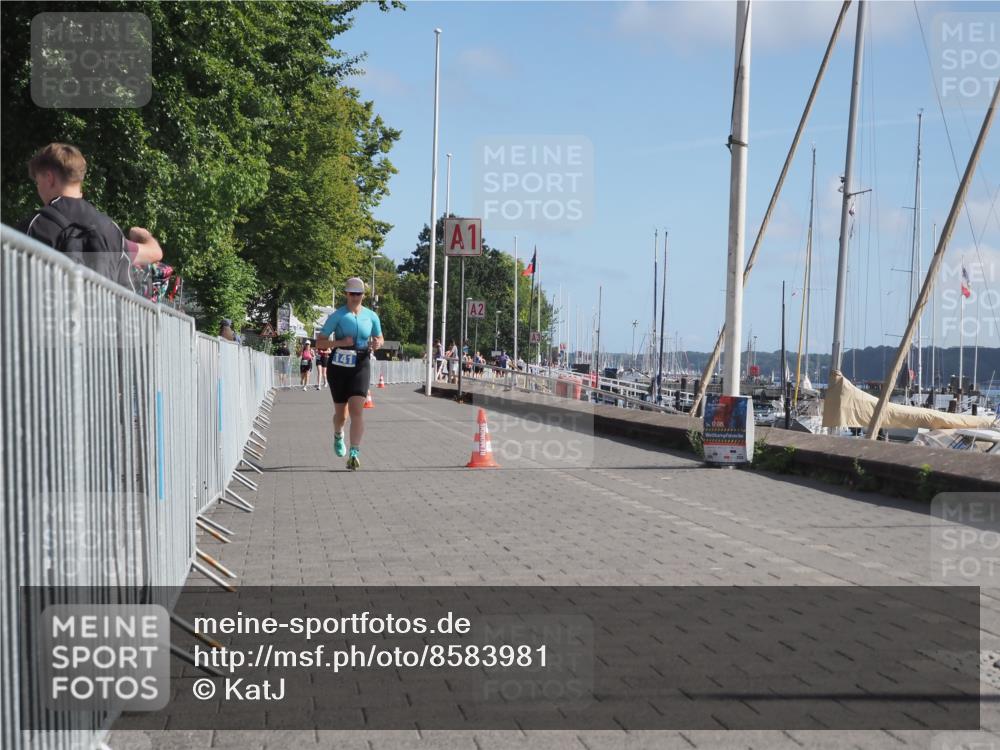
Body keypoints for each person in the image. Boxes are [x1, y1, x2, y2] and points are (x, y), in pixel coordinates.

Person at [20, 143, 163, 289]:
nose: (38, 189)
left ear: (49, 178)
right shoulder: (110, 230)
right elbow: (154, 253)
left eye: (37, 182)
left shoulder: (35, 225)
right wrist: (143, 235)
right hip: (102, 311)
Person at [316, 277, 383, 471]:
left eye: (359, 294)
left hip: (361, 364)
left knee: (357, 411)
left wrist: (378, 343)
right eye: (352, 294)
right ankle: (338, 434)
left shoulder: (371, 316)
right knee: (341, 415)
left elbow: (379, 336)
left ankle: (354, 453)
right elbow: (320, 342)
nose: (355, 297)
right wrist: (339, 343)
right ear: (346, 294)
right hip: (339, 366)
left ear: (363, 296)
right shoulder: (337, 316)